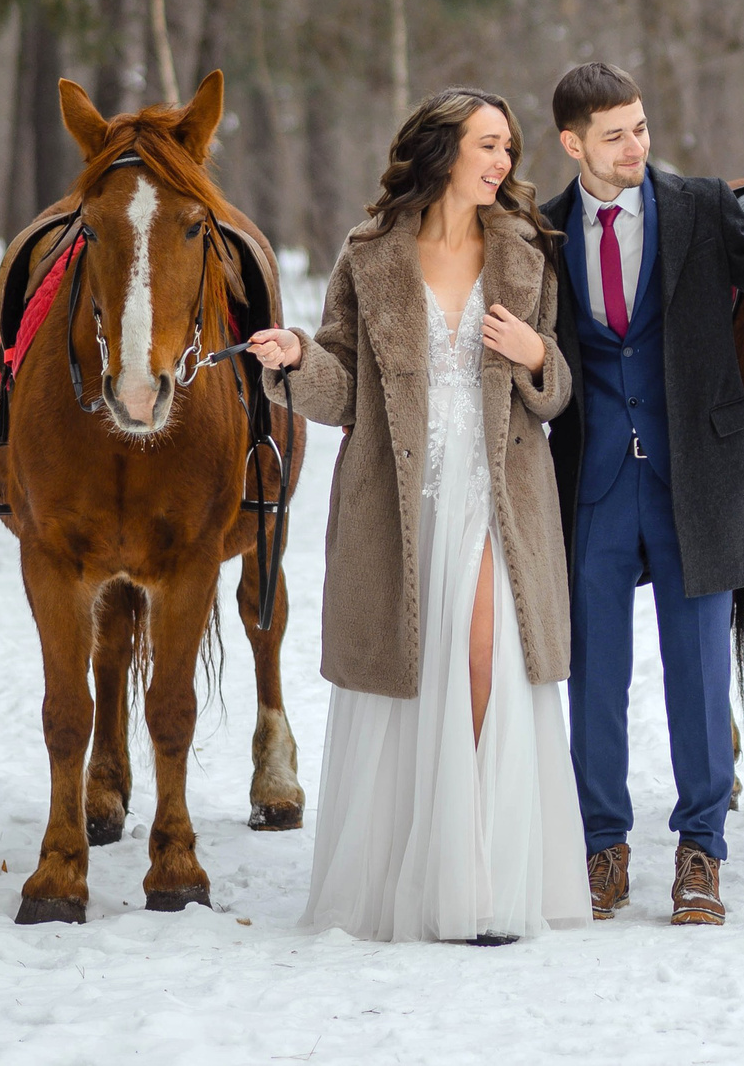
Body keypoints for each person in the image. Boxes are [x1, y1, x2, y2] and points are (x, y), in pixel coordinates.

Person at [247, 89, 588, 944]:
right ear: (441, 152)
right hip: (398, 498)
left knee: (484, 662)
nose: (503, 161)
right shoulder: (368, 256)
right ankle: (418, 880)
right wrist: (293, 359)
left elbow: (558, 392)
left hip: (497, 492)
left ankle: (482, 881)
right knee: (411, 675)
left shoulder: (527, 251)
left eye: (507, 146)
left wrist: (537, 354)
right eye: (487, 144)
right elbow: (342, 383)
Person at [541, 62, 744, 927]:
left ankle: (700, 849)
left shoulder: (700, 205)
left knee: (700, 674)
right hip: (590, 483)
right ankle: (603, 847)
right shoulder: (543, 230)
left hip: (696, 480)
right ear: (573, 144)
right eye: (615, 134)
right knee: (593, 675)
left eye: (640, 126)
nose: (637, 145)